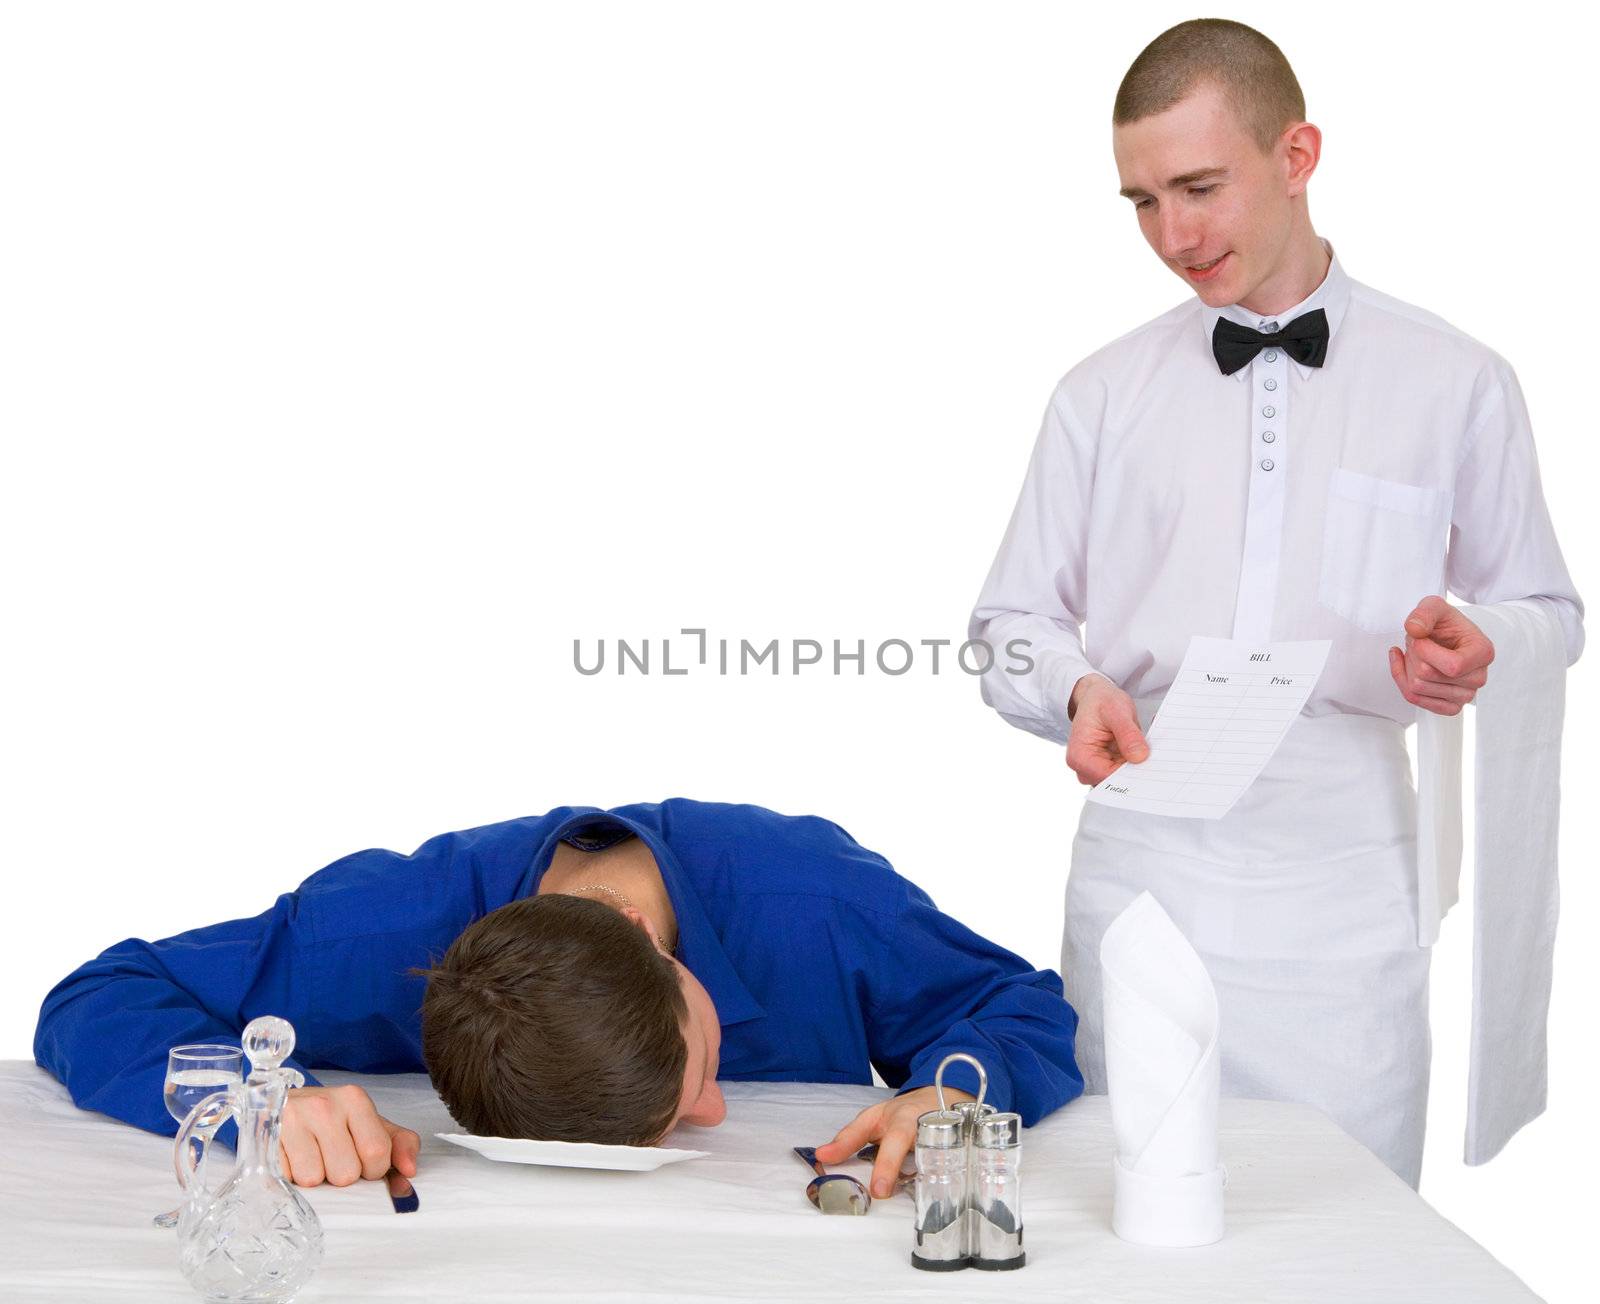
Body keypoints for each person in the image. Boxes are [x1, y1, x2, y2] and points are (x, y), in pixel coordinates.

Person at [967, 19, 1582, 1188]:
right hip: (1142, 870)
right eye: (1141, 201)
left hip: (1347, 885)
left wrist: (1485, 641)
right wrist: (1077, 685)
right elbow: (1009, 627)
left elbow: (1549, 604)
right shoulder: (1097, 394)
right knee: (1124, 1209)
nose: (1173, 235)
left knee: (1346, 1224)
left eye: (1199, 187)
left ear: (1296, 154)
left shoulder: (1457, 379)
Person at [34, 799, 1082, 1197]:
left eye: (698, 1069)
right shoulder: (373, 928)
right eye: (697, 1083)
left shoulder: (817, 899)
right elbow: (102, 991)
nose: (714, 1110)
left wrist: (955, 1086)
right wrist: (270, 1100)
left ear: (646, 940)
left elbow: (1018, 1000)